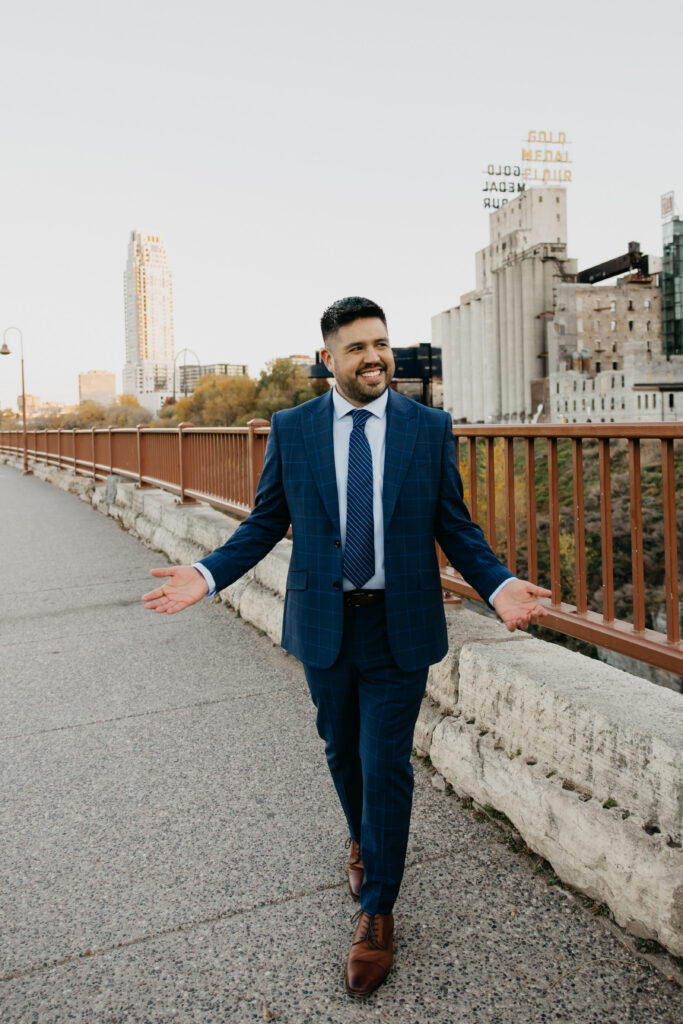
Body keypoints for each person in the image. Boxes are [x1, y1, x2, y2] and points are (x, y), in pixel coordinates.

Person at [142, 297, 550, 998]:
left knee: (385, 761)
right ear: (327, 358)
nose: (374, 358)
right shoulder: (293, 429)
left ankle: (377, 911)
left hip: (402, 624)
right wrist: (208, 574)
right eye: (357, 347)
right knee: (339, 748)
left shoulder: (427, 428)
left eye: (381, 344)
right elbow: (266, 521)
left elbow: (454, 525)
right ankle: (364, 840)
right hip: (326, 623)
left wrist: (497, 584)